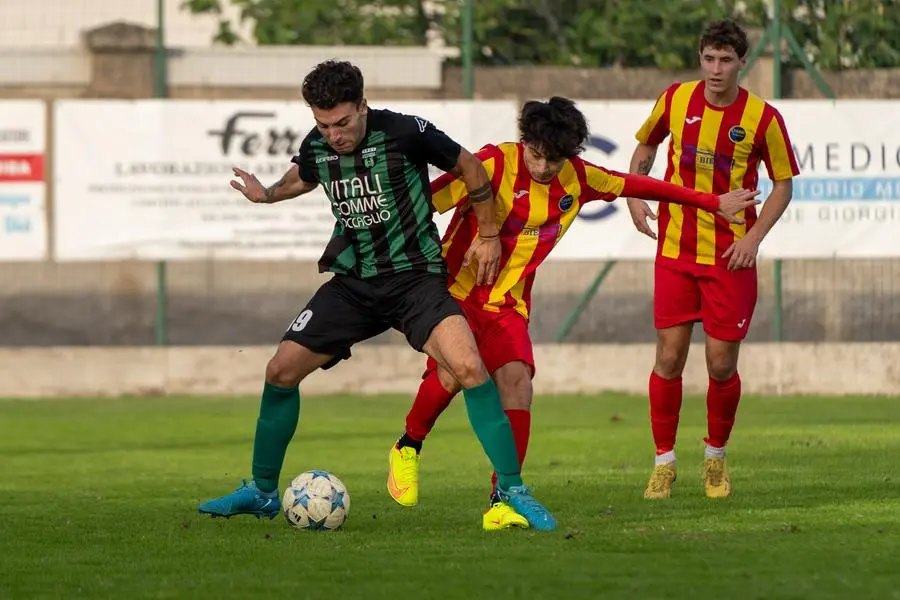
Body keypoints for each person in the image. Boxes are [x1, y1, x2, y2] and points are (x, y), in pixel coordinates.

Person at [198, 59, 557, 531]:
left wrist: (487, 234)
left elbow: (470, 166)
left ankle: (511, 492)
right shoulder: (318, 146)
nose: (335, 135)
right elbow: (304, 175)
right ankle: (264, 492)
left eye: (343, 123)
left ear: (363, 107)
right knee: (280, 370)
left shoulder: (406, 132)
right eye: (323, 125)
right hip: (355, 285)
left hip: (415, 282)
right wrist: (266, 195)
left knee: (469, 367)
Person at [384, 96, 761, 530]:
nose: (543, 167)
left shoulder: (580, 179)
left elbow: (642, 186)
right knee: (452, 375)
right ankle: (408, 446)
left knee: (517, 383)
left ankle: (503, 499)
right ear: (524, 142)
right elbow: (422, 206)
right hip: (455, 296)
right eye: (537, 155)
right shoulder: (491, 164)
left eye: (554, 159)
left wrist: (712, 203)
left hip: (509, 304)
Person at [625, 19, 799, 500]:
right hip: (676, 252)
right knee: (668, 357)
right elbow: (647, 144)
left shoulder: (764, 118)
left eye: (726, 60)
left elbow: (783, 184)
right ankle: (663, 463)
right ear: (700, 57)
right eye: (709, 58)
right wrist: (635, 195)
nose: (716, 69)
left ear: (742, 63)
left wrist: (755, 239)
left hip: (730, 258)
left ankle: (716, 459)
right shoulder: (676, 99)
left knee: (721, 365)